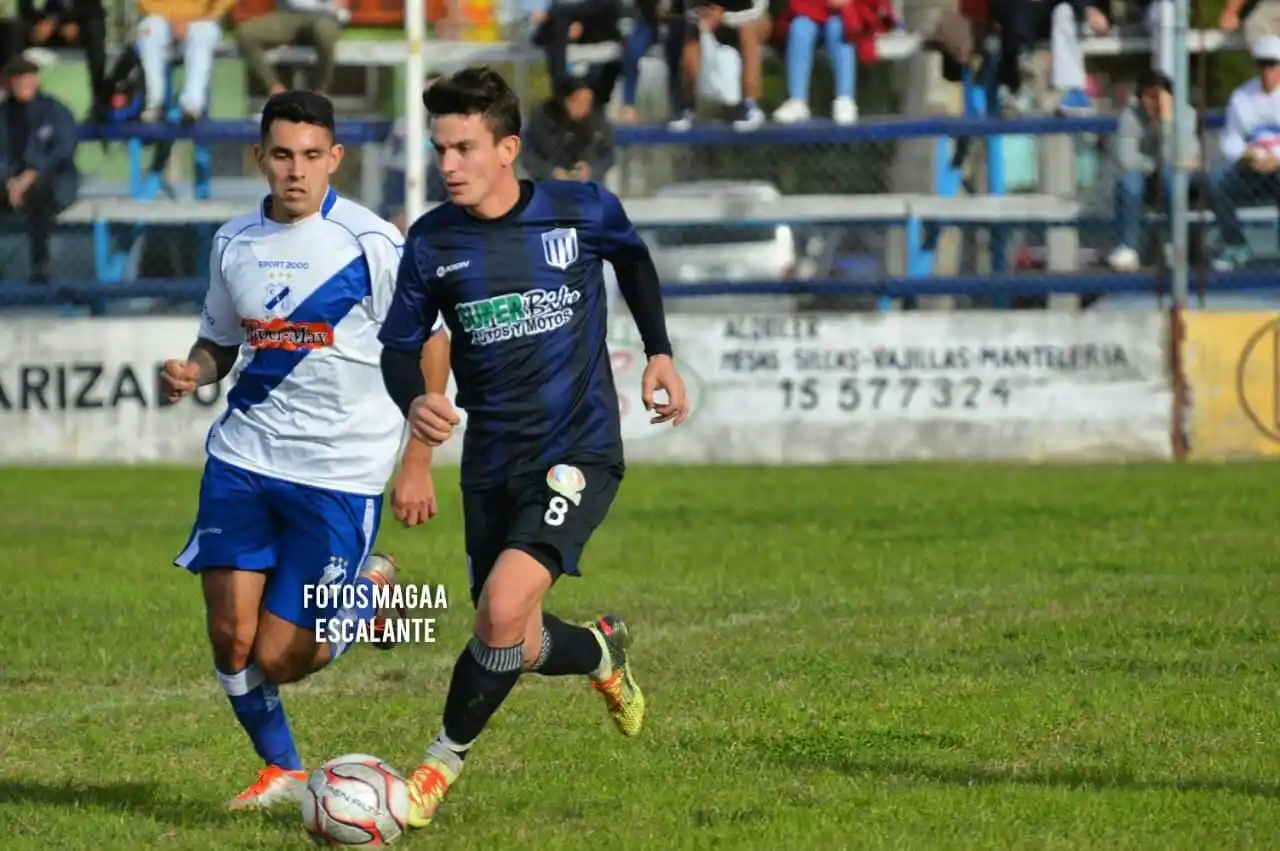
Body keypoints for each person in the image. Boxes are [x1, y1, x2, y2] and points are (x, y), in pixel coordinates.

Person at [377, 66, 691, 830]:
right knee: (510, 638)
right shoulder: (431, 242)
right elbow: (399, 345)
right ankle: (601, 651)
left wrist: (658, 350)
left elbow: (634, 259)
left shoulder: (578, 209)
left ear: (507, 147)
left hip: (577, 448)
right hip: (492, 457)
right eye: (439, 148)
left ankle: (436, 765)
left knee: (501, 607)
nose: (446, 164)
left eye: (462, 147)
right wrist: (413, 400)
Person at [160, 89, 447, 811]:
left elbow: (431, 340)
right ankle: (282, 769)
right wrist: (195, 369)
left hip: (340, 473)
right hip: (245, 459)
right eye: (282, 155)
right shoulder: (234, 242)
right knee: (231, 636)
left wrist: (417, 458)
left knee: (283, 658)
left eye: (312, 156)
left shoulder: (373, 244)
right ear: (260, 157)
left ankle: (371, 593)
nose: (296, 170)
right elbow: (221, 340)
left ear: (335, 159)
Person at [0, 54, 78, 284]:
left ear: (37, 80)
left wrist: (30, 175)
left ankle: (41, 263)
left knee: (39, 191)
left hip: (55, 183)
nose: (22, 84)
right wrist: (8, 180)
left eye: (27, 78)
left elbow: (63, 151)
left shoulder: (55, 110)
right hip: (11, 183)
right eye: (17, 79)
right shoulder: (4, 114)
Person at [1208, 35, 1280, 271]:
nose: (1267, 70)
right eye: (1263, 64)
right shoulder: (1242, 96)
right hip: (1251, 170)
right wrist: (1248, 155)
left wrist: (1277, 160)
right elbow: (1230, 139)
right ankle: (1235, 243)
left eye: (1273, 64)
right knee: (1216, 181)